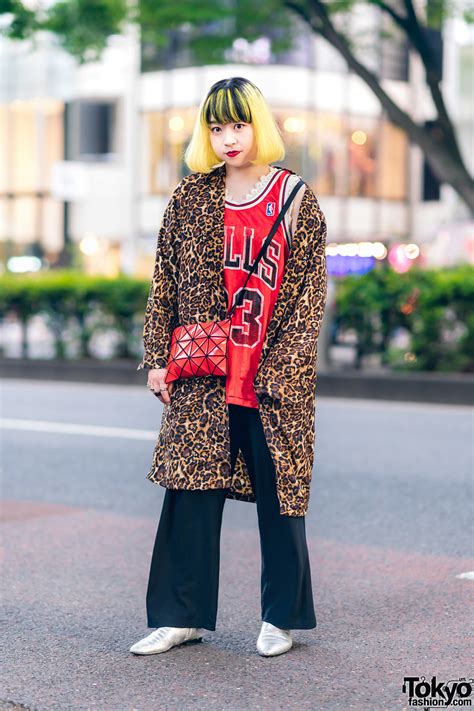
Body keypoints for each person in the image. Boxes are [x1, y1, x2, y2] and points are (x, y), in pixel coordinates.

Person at [130, 76, 328, 658]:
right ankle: (179, 616)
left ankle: (281, 617)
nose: (228, 138)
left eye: (238, 125)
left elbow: (310, 297)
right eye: (216, 127)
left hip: (270, 376)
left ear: (258, 126)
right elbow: (163, 282)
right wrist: (156, 358)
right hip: (202, 371)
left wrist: (285, 371)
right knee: (189, 493)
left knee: (280, 497)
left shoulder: (295, 198)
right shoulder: (190, 198)